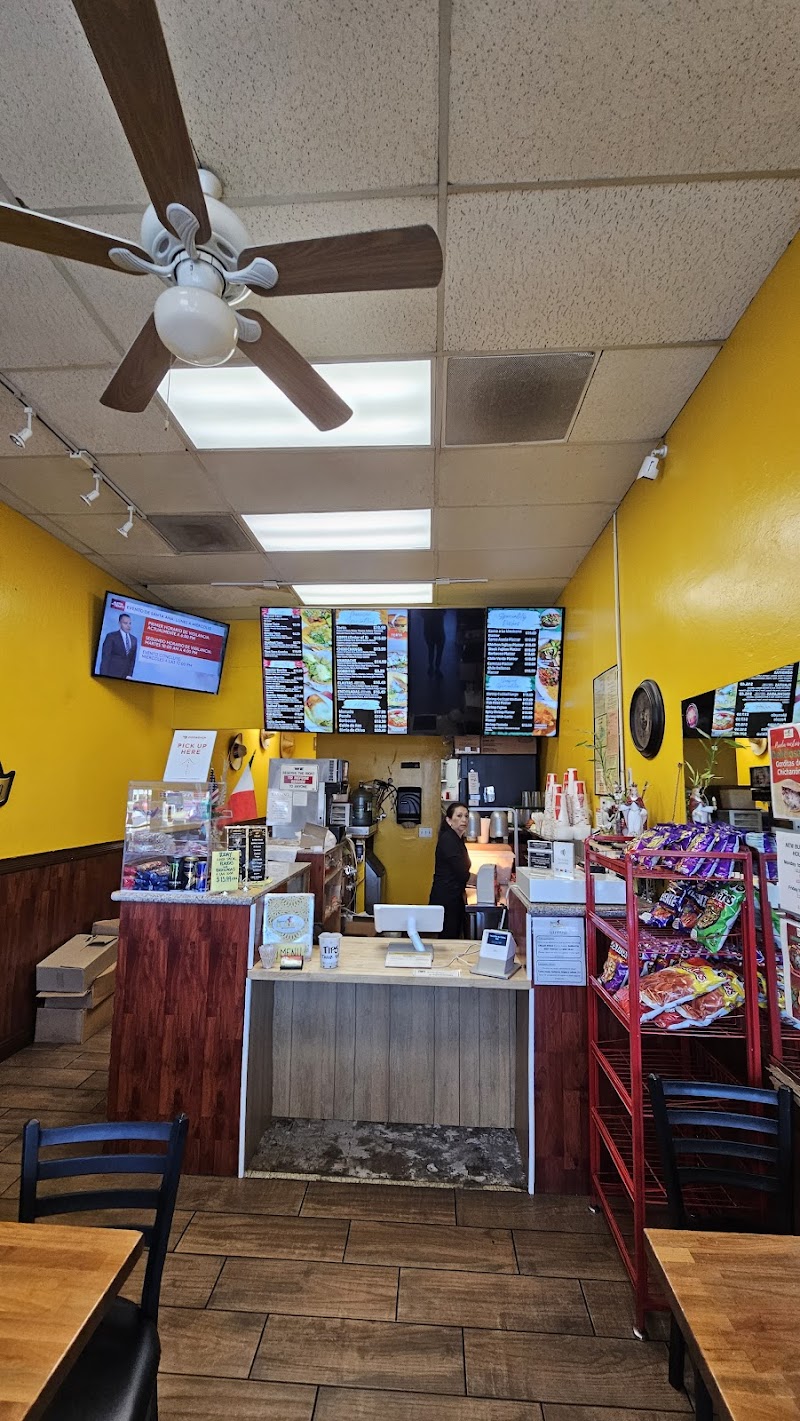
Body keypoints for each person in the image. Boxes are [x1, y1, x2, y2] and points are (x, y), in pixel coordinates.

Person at [429, 801, 471, 939]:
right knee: (447, 940)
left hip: (454, 897)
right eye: (459, 816)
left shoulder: (457, 839)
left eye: (466, 816)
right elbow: (462, 873)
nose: (463, 819)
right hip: (446, 899)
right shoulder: (448, 840)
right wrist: (486, 879)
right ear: (448, 820)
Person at [99, 612, 138, 679]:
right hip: (111, 674)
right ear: (119, 623)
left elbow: (132, 659)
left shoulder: (134, 639)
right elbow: (106, 657)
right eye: (125, 623)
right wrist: (103, 676)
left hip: (125, 677)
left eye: (130, 623)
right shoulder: (111, 636)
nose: (128, 626)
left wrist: (129, 675)